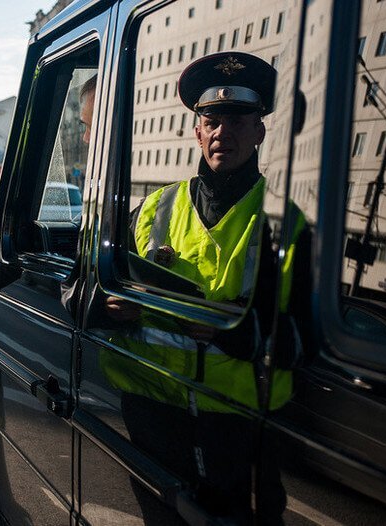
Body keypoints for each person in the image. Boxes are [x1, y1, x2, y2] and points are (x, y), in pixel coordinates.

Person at [100, 52, 310, 524]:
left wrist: (232, 332)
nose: (223, 133)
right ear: (196, 130)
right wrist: (112, 306)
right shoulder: (154, 209)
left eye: (238, 122)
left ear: (259, 131)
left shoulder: (287, 223)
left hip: (238, 428)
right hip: (152, 415)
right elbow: (87, 290)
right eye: (211, 120)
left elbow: (308, 340)